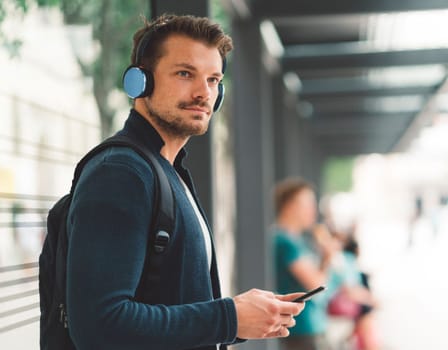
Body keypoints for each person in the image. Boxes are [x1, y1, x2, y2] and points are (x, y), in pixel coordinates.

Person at [66, 14, 304, 350]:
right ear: (140, 82)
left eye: (212, 80)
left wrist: (243, 317)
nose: (203, 93)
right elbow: (99, 326)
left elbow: (171, 305)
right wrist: (227, 318)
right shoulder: (122, 172)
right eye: (184, 74)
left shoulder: (168, 171)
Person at [272, 178, 341, 350]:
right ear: (289, 206)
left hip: (310, 325)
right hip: (303, 328)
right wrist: (328, 258)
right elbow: (316, 285)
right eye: (307, 204)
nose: (312, 211)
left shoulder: (298, 239)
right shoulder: (285, 241)